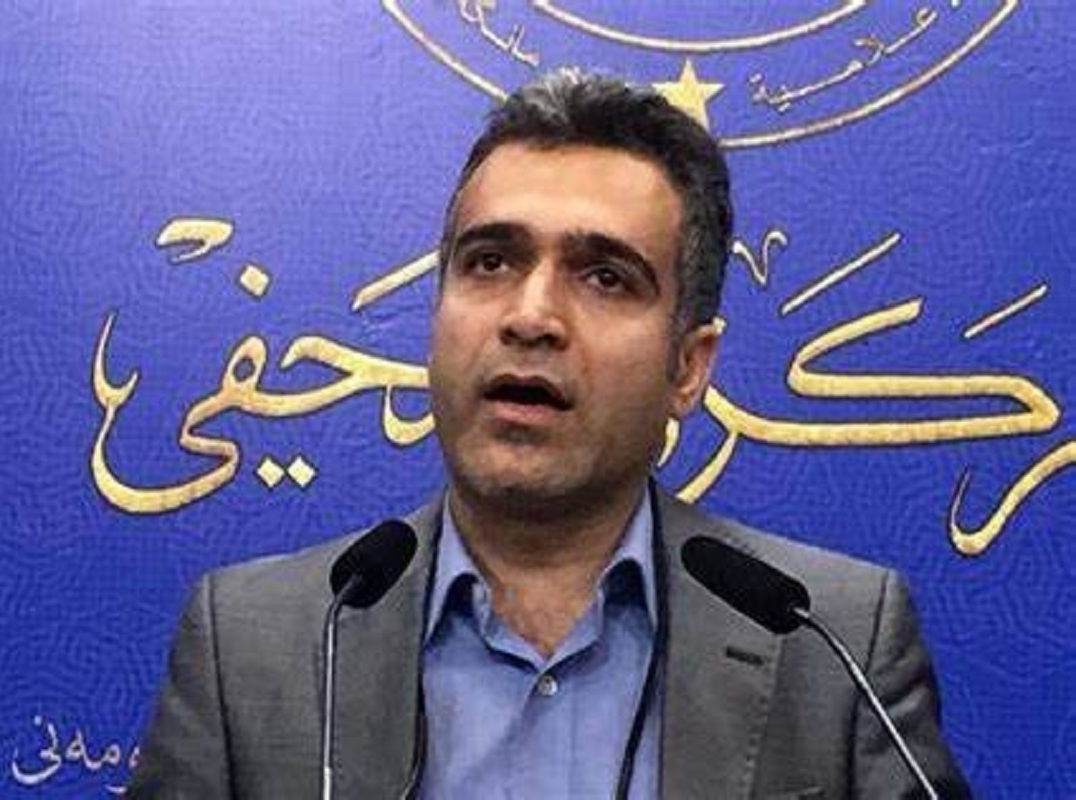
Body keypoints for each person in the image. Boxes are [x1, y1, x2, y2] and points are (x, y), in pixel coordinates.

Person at [127, 69, 970, 799]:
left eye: (605, 277)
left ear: (688, 367)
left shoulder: (833, 642)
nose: (530, 316)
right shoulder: (251, 644)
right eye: (490, 262)